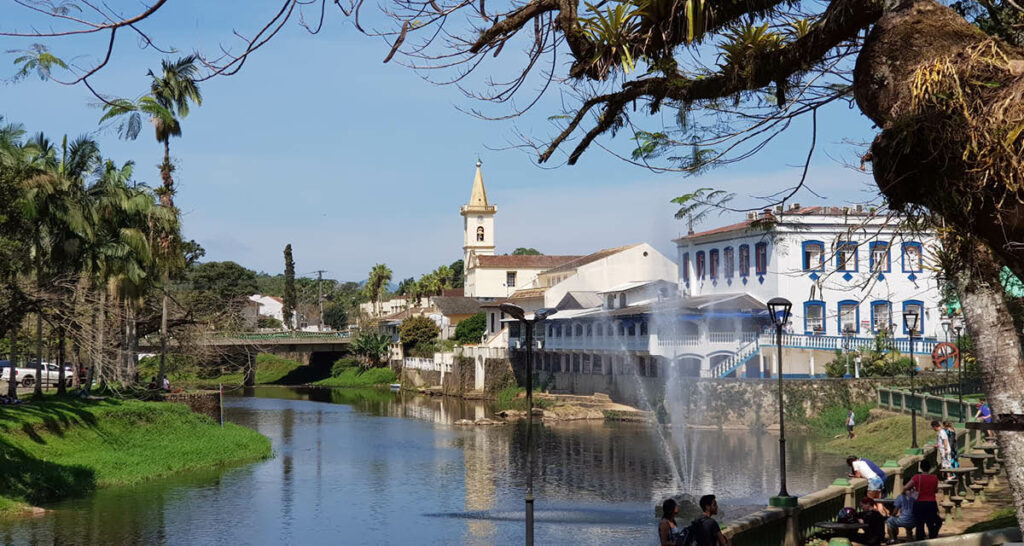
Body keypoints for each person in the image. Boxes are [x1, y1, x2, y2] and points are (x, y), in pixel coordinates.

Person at [904, 459, 942, 540]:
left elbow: (906, 487)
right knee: (931, 524)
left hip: (919, 503)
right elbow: (935, 490)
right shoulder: (934, 478)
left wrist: (911, 493)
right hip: (931, 503)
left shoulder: (917, 477)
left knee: (919, 524)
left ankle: (920, 540)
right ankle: (932, 538)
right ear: (929, 468)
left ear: (921, 468)